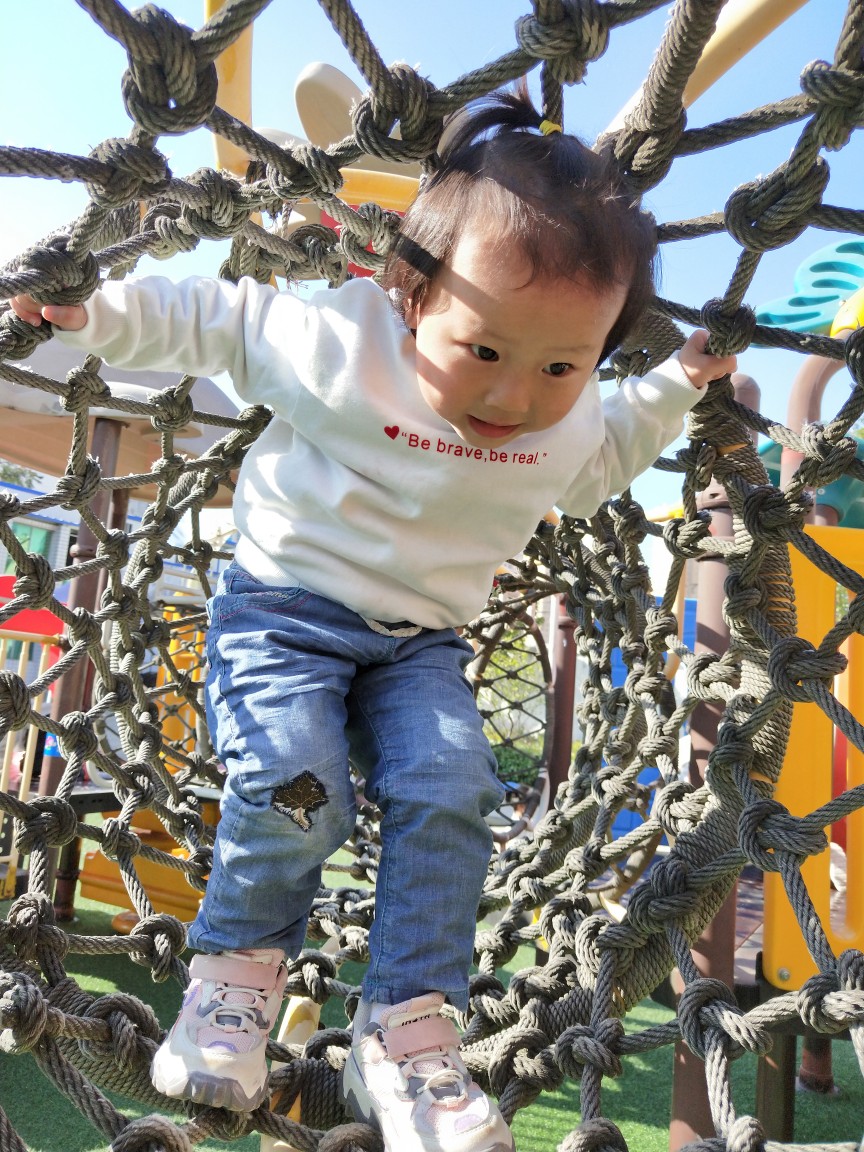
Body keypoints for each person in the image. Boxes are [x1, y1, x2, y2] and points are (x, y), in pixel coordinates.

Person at [9, 86, 736, 1152]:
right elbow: (219, 321)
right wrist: (96, 317)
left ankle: (403, 1035)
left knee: (454, 788)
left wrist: (676, 382)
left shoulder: (568, 421)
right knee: (297, 784)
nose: (514, 398)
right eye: (483, 350)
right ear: (412, 294)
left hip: (417, 648)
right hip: (286, 615)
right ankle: (232, 986)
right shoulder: (345, 343)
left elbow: (610, 452)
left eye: (560, 366)